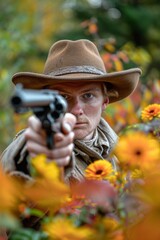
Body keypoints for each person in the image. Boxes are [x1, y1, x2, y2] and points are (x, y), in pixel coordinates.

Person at [1, 39, 141, 184]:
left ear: (104, 102)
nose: (76, 110)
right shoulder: (40, 138)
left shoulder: (125, 153)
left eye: (88, 96)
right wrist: (33, 158)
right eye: (64, 97)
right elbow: (15, 163)